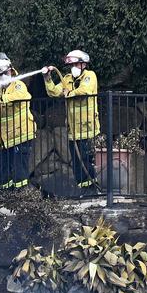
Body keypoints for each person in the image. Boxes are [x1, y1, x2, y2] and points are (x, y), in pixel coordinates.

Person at [43, 49, 99, 189]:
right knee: (76, 162)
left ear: (83, 64)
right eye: (71, 65)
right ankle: (83, 189)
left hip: (88, 128)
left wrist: (69, 93)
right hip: (73, 130)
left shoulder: (89, 76)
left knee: (86, 161)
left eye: (75, 65)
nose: (73, 68)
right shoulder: (67, 79)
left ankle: (92, 189)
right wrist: (48, 78)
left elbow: (85, 91)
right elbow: (54, 92)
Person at [0, 52, 36, 189]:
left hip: (20, 136)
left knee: (19, 172)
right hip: (2, 140)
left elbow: (23, 95)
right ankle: (7, 199)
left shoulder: (18, 85)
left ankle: (22, 199)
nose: (4, 76)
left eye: (6, 72)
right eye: (0, 74)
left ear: (11, 70)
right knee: (2, 172)